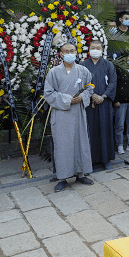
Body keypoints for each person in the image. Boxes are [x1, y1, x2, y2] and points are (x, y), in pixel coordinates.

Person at [42, 43, 96, 192]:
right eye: (67, 51)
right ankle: (62, 177)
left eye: (72, 51)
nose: (70, 53)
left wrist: (82, 97)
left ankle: (81, 174)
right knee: (63, 145)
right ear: (61, 54)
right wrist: (67, 99)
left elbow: (89, 88)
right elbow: (48, 93)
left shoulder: (83, 70)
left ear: (76, 52)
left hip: (78, 112)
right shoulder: (53, 72)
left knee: (80, 141)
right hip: (61, 113)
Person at [81, 40, 116, 169]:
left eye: (98, 48)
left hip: (104, 103)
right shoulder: (83, 65)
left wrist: (103, 96)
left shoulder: (108, 65)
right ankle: (89, 160)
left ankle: (106, 160)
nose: (95, 50)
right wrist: (91, 95)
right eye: (93, 47)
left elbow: (113, 82)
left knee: (105, 129)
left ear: (102, 50)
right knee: (89, 130)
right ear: (89, 49)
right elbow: (81, 83)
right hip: (89, 104)